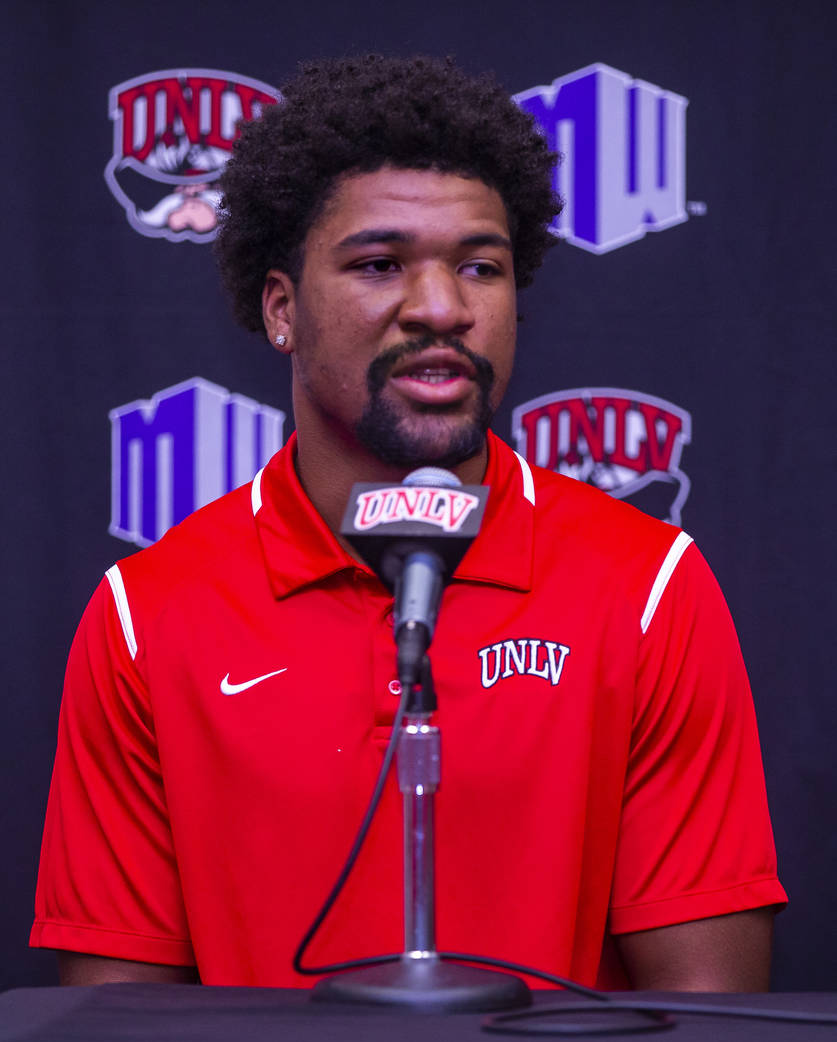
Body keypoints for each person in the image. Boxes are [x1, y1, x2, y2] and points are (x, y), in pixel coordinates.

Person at [31, 54, 786, 991]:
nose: (441, 308)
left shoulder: (646, 585)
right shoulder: (148, 614)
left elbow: (708, 1009)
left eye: (480, 266)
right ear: (281, 309)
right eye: (380, 264)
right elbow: (115, 1018)